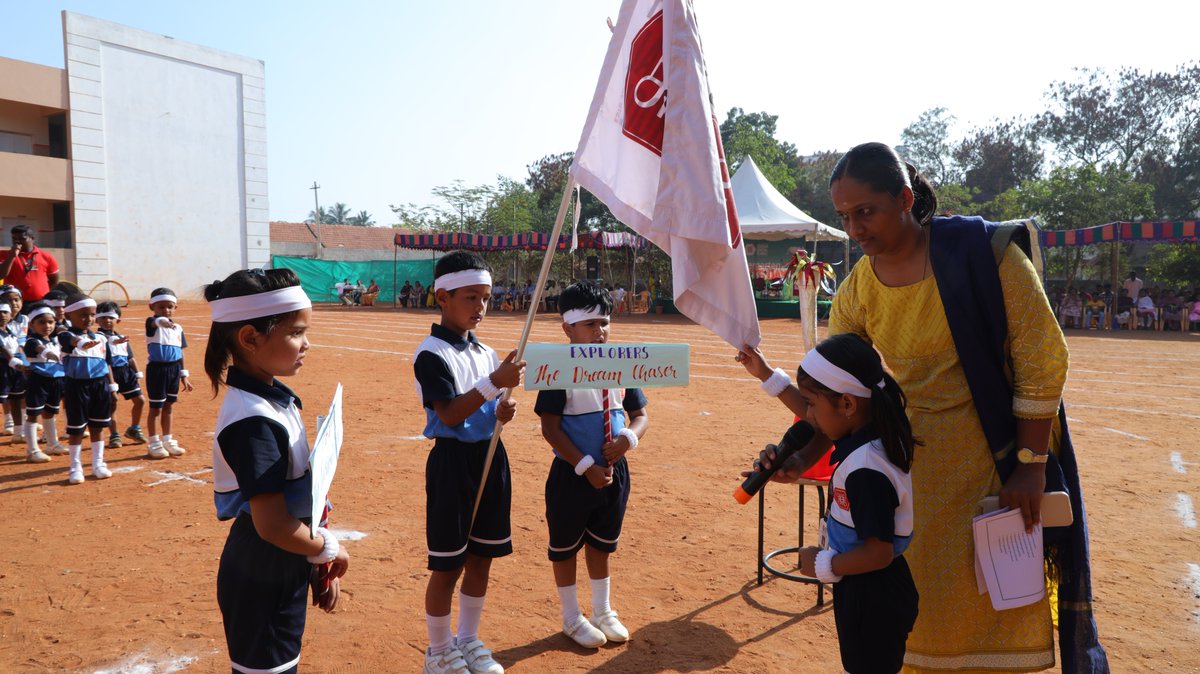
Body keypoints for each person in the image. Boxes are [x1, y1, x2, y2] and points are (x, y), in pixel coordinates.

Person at [737, 142, 1106, 673]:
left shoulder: (986, 256)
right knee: (911, 619)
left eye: (866, 211)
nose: (856, 229)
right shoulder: (858, 288)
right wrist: (804, 454)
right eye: (845, 216)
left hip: (991, 465)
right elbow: (839, 391)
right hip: (905, 472)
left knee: (984, 612)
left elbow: (1043, 359)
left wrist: (1029, 467)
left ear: (905, 198)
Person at [204, 268, 350, 674]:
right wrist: (327, 549)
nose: (307, 344)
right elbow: (272, 525)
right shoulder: (253, 422)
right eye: (296, 333)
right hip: (262, 568)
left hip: (279, 560)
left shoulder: (270, 400)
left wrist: (313, 560)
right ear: (250, 338)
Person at [764, 333, 918, 674]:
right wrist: (796, 462)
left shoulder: (866, 469)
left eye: (811, 405)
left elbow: (878, 553)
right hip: (866, 584)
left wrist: (822, 564)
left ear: (847, 404)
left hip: (873, 591)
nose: (808, 416)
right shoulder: (864, 440)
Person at [412, 250, 524, 674]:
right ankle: (438, 650)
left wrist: (500, 411)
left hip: (490, 459)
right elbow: (450, 414)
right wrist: (494, 383)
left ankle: (468, 638)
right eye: (471, 297)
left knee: (482, 557)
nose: (481, 307)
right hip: (452, 464)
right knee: (449, 563)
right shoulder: (431, 354)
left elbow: (482, 411)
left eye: (486, 297)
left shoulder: (487, 351)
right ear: (442, 296)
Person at [534, 282, 648, 650]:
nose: (600, 332)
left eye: (604, 323)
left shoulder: (620, 364)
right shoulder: (556, 368)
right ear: (567, 328)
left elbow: (640, 415)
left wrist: (627, 440)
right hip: (573, 474)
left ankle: (602, 610)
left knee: (603, 544)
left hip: (615, 472)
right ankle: (571, 617)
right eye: (590, 325)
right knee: (565, 547)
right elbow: (550, 428)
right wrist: (585, 465)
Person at [58, 293, 119, 484]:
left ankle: (98, 463)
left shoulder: (100, 337)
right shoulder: (65, 335)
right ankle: (75, 467)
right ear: (68, 316)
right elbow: (72, 341)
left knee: (98, 425)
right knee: (76, 429)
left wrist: (112, 386)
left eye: (92, 314)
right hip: (77, 386)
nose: (89, 319)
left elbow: (107, 362)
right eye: (83, 315)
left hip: (100, 385)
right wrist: (82, 342)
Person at [145, 287, 192, 459]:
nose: (166, 310)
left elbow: (180, 352)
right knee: (155, 408)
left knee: (169, 406)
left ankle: (168, 440)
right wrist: (162, 321)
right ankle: (154, 443)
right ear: (152, 307)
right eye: (161, 307)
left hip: (173, 370)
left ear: (175, 308)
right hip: (157, 370)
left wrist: (183, 375)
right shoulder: (151, 322)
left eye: (170, 307)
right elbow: (155, 323)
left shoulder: (178, 328)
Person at [95, 301, 147, 448]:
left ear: (118, 320)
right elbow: (111, 343)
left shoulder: (122, 338)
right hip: (109, 373)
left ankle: (134, 429)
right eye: (103, 317)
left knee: (140, 400)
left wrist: (137, 373)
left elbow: (130, 357)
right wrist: (111, 383)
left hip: (126, 372)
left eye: (111, 317)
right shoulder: (98, 337)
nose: (107, 321)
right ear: (96, 319)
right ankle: (114, 435)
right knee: (112, 404)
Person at [22, 302, 66, 460]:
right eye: (41, 322)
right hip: (38, 380)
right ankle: (32, 450)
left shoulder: (55, 341)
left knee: (50, 413)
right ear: (32, 324)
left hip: (56, 380)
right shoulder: (33, 341)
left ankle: (52, 444)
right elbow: (41, 349)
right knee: (33, 414)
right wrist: (51, 354)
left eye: (50, 322)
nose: (47, 325)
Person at [0, 225, 60, 303]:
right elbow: (1, 275)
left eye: (22, 239)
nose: (17, 242)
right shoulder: (4, 255)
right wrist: (12, 256)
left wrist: (41, 292)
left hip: (40, 302)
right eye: (14, 239)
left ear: (32, 239)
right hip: (15, 303)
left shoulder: (46, 256)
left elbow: (54, 280)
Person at [0, 303, 32, 453]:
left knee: (16, 399)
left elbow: (18, 348)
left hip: (14, 368)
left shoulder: (12, 332)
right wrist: (15, 363)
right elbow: (3, 350)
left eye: (5, 312)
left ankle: (19, 432)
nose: (2, 315)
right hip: (4, 368)